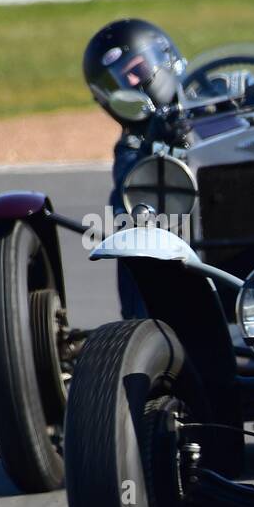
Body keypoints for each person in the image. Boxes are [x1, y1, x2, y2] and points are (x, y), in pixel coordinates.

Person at [82, 19, 187, 317]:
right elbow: (129, 184)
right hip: (183, 232)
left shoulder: (215, 93)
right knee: (124, 210)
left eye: (136, 70)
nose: (130, 85)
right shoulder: (132, 143)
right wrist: (156, 138)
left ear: (165, 59)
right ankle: (144, 322)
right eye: (117, 83)